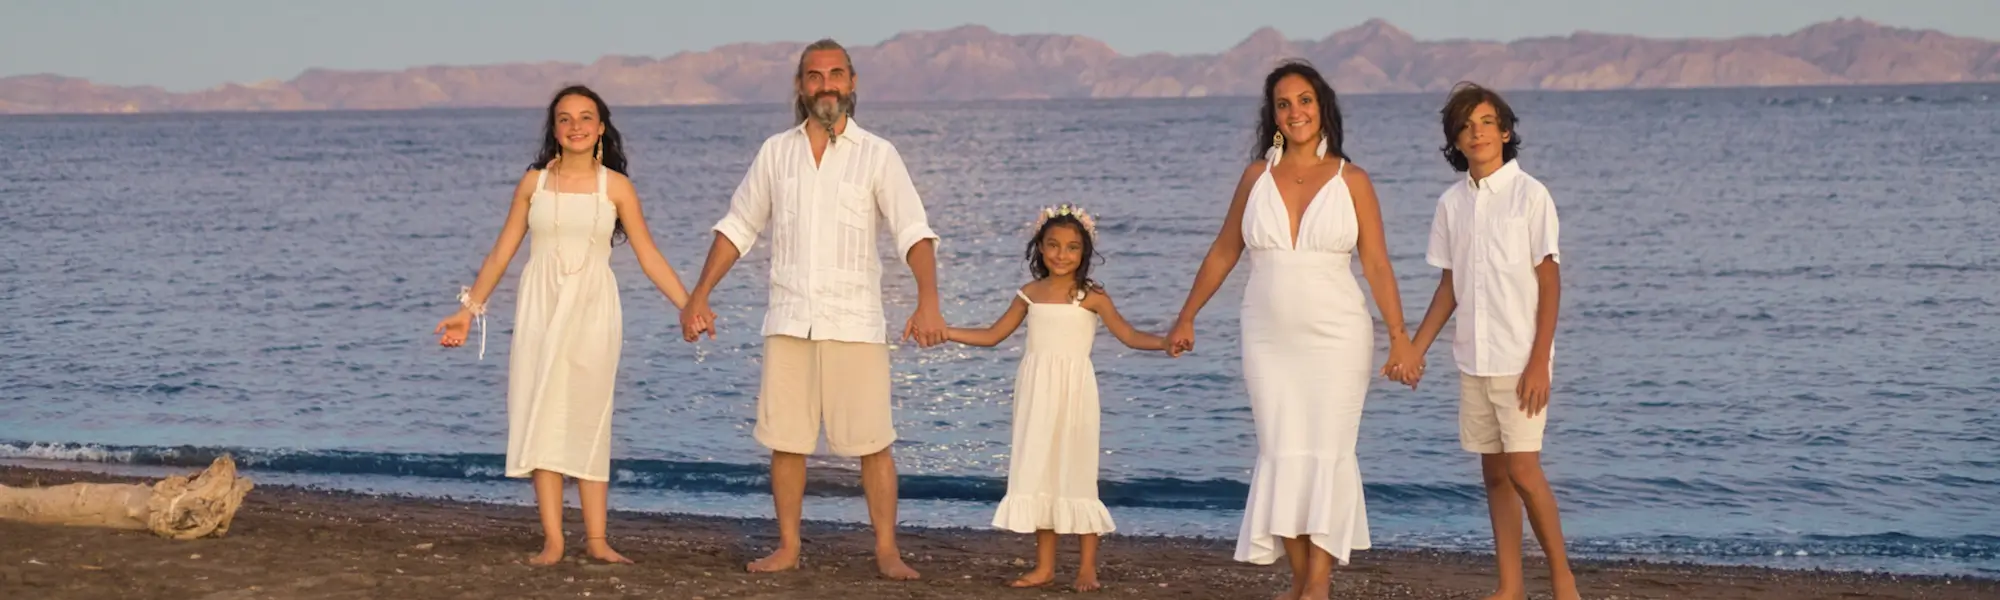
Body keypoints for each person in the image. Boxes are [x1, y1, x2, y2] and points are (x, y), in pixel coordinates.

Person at [677, 39, 944, 580]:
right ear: (801, 87)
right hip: (790, 318)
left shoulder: (878, 154)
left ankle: (887, 551)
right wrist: (699, 294)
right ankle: (789, 546)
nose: (827, 85)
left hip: (855, 323)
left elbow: (913, 231)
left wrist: (928, 301)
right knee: (786, 442)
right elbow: (739, 226)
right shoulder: (776, 152)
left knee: (874, 442)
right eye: (815, 76)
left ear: (853, 83)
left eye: (836, 74)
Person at [1163, 60, 1415, 600]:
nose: (1295, 111)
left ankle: (1318, 584)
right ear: (1273, 115)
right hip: (1267, 335)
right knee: (1281, 452)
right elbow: (1225, 249)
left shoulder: (1353, 180)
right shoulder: (1257, 177)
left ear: (1322, 106)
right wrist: (1187, 315)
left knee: (1327, 452)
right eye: (1284, 103)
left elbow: (1376, 264)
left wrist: (1401, 336)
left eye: (1304, 100)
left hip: (1338, 336)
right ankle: (1302, 581)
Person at [434, 85, 692, 565]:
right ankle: (553, 539)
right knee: (543, 413)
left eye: (585, 118)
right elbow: (502, 251)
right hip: (540, 309)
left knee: (591, 416)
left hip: (594, 310)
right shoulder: (534, 183)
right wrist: (468, 311)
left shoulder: (615, 187)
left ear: (600, 127)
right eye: (565, 119)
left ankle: (597, 540)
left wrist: (687, 304)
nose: (576, 126)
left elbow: (649, 254)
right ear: (554, 130)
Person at [1389, 82, 1581, 600]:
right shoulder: (1451, 204)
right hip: (1474, 360)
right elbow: (1450, 286)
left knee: (1524, 471)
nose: (1477, 132)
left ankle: (1564, 582)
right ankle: (1510, 587)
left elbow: (1549, 280)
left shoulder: (1530, 195)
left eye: (1486, 122)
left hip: (1522, 360)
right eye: (1466, 125)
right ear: (1456, 139)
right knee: (1495, 476)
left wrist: (1540, 360)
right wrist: (1414, 348)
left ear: (1506, 131)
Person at [945, 204, 1168, 592]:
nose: (1061, 255)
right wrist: (945, 331)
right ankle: (1045, 567)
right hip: (1035, 393)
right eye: (1053, 245)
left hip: (1075, 392)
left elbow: (1129, 336)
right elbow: (993, 335)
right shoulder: (1029, 294)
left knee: (1077, 473)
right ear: (1040, 248)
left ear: (1084, 253)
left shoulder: (1091, 295)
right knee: (1043, 473)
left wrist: (1166, 343)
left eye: (1072, 247)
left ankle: (1086, 568)